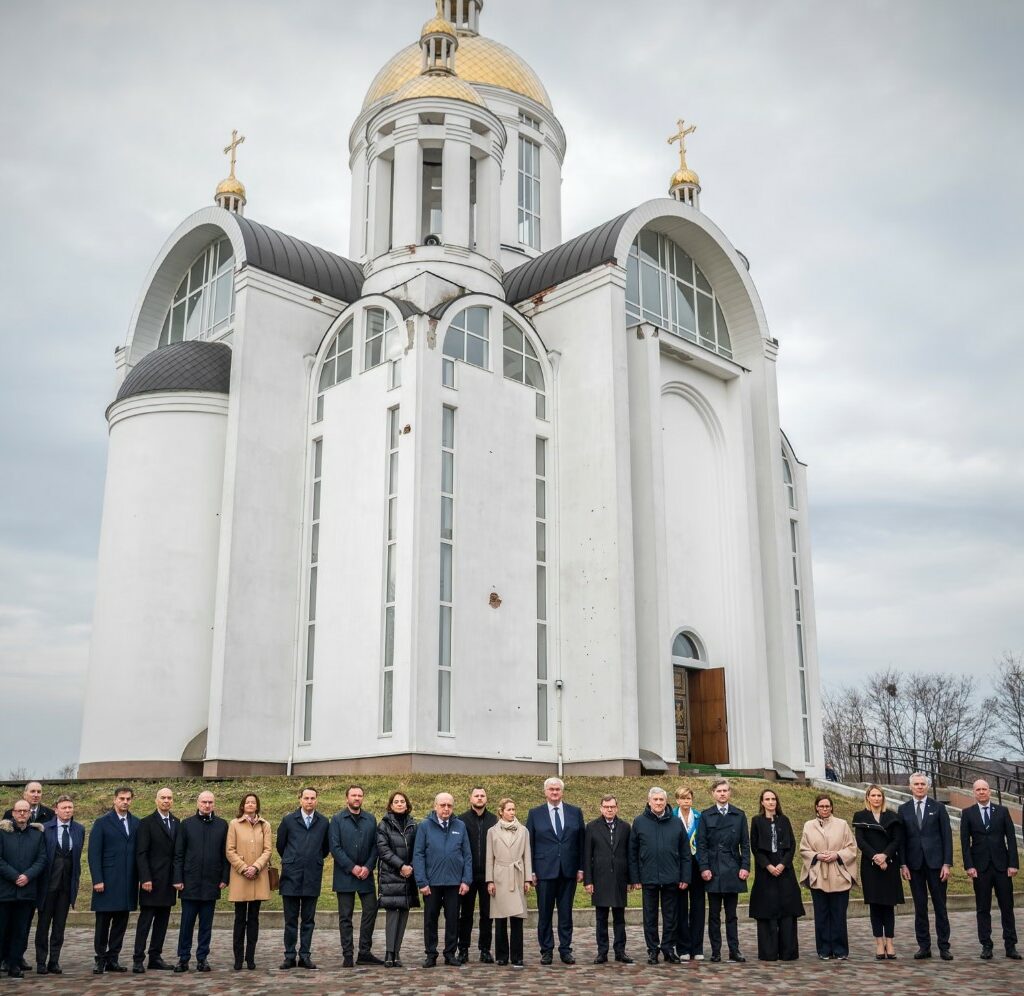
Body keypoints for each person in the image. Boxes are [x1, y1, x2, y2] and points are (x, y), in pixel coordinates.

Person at [526, 776, 585, 965]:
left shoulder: (575, 812)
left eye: (557, 789)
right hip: (544, 872)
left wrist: (581, 867)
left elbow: (581, 842)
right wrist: (531, 871)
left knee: (566, 913)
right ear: (545, 792)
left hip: (568, 871)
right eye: (551, 789)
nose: (554, 792)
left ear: (562, 791)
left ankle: (565, 950)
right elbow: (529, 844)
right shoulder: (535, 813)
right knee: (544, 913)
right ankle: (546, 950)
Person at [960, 778, 1020, 959]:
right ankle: (986, 945)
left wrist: (1013, 863)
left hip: (1002, 867)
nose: (981, 792)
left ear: (990, 791)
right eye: (978, 789)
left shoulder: (1002, 811)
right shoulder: (968, 813)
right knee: (983, 908)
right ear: (974, 792)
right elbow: (964, 842)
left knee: (1007, 907)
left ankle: (1010, 945)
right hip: (980, 868)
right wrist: (969, 865)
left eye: (984, 789)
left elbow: (1011, 838)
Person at [629, 786, 690, 964]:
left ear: (666, 801)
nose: (658, 803)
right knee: (650, 916)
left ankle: (668, 948)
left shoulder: (676, 822)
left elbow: (685, 852)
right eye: (655, 800)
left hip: (671, 877)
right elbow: (632, 852)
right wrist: (635, 878)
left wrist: (685, 877)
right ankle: (652, 950)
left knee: (671, 916)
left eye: (661, 800)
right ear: (649, 802)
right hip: (648, 877)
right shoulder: (639, 822)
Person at [413, 792, 472, 968]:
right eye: (442, 805)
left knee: (453, 920)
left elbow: (467, 855)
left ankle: (450, 954)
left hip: (454, 883)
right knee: (430, 920)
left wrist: (466, 880)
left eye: (449, 805)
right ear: (435, 806)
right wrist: (422, 882)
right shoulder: (424, 826)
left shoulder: (460, 826)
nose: (446, 809)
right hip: (432, 884)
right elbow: (418, 854)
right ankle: (431, 954)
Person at [172, 790, 229, 973]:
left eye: (210, 802)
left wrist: (224, 878)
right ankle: (183, 958)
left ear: (214, 804)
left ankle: (202, 958)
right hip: (190, 882)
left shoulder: (222, 825)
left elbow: (225, 854)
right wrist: (178, 878)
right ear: (198, 803)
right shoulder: (186, 824)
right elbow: (179, 854)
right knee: (186, 924)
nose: (207, 805)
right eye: (204, 802)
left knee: (206, 925)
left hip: (212, 882)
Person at [899, 771, 953, 961]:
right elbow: (901, 840)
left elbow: (947, 837)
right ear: (910, 787)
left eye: (923, 784)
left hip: (936, 865)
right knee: (920, 907)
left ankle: (944, 947)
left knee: (940, 907)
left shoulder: (938, 808)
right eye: (916, 784)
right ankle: (924, 946)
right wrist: (903, 864)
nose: (920, 787)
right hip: (914, 865)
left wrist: (947, 863)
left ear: (928, 787)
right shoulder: (903, 809)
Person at [2, 781, 53, 974]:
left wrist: (27, 876)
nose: (22, 814)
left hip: (28, 888)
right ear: (13, 813)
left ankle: (15, 961)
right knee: (3, 927)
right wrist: (15, 875)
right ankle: (3, 959)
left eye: (25, 811)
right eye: (19, 811)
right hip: (6, 889)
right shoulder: (4, 830)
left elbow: (42, 857)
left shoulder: (38, 832)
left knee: (21, 929)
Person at [696, 778, 750, 962]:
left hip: (733, 869)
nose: (722, 794)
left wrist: (745, 866)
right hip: (713, 870)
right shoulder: (706, 815)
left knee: (732, 915)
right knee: (714, 915)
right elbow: (701, 844)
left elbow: (745, 844)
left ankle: (734, 950)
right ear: (713, 793)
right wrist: (704, 868)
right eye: (719, 791)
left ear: (729, 793)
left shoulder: (739, 815)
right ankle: (716, 951)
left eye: (725, 790)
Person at [798, 793, 857, 960]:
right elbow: (804, 849)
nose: (825, 809)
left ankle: (840, 949)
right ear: (816, 807)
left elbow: (852, 848)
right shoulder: (809, 825)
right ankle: (824, 949)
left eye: (827, 806)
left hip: (839, 875)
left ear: (831, 807)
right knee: (821, 914)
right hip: (818, 875)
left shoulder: (842, 824)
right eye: (821, 806)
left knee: (839, 915)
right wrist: (817, 856)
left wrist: (837, 855)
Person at [277, 786, 329, 970]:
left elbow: (325, 848)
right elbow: (281, 845)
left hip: (312, 875)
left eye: (312, 798)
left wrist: (313, 859)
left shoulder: (323, 822)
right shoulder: (288, 820)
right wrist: (292, 859)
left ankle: (305, 955)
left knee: (308, 920)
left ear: (317, 800)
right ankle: (289, 955)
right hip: (291, 875)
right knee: (290, 920)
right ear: (300, 799)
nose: (309, 801)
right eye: (306, 798)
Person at [88, 786, 139, 974]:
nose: (125, 802)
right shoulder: (102, 822)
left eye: (128, 799)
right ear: (114, 800)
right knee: (103, 923)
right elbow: (94, 853)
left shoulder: (136, 823)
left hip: (127, 881)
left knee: (120, 922)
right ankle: (100, 958)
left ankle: (113, 958)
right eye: (121, 798)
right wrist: (97, 879)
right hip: (107, 881)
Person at [748, 788, 803, 961]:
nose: (771, 802)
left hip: (784, 872)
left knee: (787, 912)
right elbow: (755, 847)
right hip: (766, 873)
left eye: (773, 799)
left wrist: (782, 864)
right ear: (762, 802)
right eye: (767, 799)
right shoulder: (756, 821)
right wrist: (769, 866)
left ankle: (788, 952)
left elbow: (792, 845)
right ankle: (769, 952)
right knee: (767, 911)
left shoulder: (784, 820)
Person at [329, 785, 381, 967]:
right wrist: (352, 867)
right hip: (345, 875)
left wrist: (368, 867)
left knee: (371, 910)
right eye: (353, 795)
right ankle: (348, 954)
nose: (357, 798)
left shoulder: (370, 819)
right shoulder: (337, 819)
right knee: (345, 916)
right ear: (347, 798)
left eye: (360, 795)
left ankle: (364, 952)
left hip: (366, 875)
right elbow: (335, 847)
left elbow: (376, 846)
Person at [34, 795, 84, 976]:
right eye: (64, 808)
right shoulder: (45, 829)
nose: (67, 811)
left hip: (66, 885)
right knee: (43, 925)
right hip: (48, 885)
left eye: (70, 807)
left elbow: (76, 857)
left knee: (59, 926)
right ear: (56, 810)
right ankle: (41, 961)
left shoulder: (79, 829)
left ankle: (54, 961)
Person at [853, 784, 904, 960]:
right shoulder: (860, 816)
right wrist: (875, 857)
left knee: (888, 906)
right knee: (875, 905)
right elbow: (860, 841)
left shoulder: (892, 816)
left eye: (879, 795)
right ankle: (879, 943)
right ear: (867, 797)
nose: (876, 798)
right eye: (873, 795)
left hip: (889, 865)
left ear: (883, 798)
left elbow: (897, 840)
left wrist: (885, 856)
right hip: (870, 866)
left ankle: (889, 942)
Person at [132, 787, 179, 973]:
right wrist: (145, 877)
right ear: (156, 800)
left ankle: (155, 957)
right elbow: (141, 853)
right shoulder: (146, 823)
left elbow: (177, 854)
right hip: (151, 881)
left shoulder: (176, 822)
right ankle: (138, 958)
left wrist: (177, 878)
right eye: (163, 798)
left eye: (169, 798)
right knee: (145, 922)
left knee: (162, 922)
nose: (166, 801)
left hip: (168, 882)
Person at [583, 795, 633, 964]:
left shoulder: (625, 827)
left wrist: (630, 879)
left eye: (612, 807)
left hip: (620, 878)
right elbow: (587, 855)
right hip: (600, 879)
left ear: (617, 808)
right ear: (601, 808)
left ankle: (620, 951)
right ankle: (602, 952)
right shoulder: (592, 827)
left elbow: (629, 854)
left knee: (620, 918)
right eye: (606, 807)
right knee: (601, 918)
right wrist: (588, 881)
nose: (609, 809)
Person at [226, 793, 272, 971]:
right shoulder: (234, 824)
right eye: (247, 802)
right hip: (241, 876)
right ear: (243, 805)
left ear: (257, 805)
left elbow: (268, 850)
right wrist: (244, 867)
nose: (250, 804)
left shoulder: (265, 825)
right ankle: (238, 958)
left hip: (258, 876)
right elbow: (230, 850)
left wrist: (256, 867)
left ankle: (250, 957)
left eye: (253, 802)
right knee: (239, 919)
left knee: (253, 919)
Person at [485, 798, 532, 968]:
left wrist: (527, 879)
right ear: (501, 811)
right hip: (499, 876)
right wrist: (490, 880)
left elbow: (527, 855)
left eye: (514, 809)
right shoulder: (492, 831)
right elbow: (489, 857)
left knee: (517, 918)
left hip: (517, 874)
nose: (512, 812)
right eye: (509, 809)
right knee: (500, 918)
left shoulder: (523, 830)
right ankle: (502, 955)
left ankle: (517, 956)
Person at [376, 791, 419, 968]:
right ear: (391, 805)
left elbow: (419, 848)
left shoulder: (413, 825)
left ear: (407, 805)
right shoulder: (384, 825)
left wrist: (411, 867)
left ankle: (397, 952)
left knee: (404, 913)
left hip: (409, 875)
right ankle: (389, 952)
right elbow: (383, 850)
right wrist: (401, 866)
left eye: (402, 801)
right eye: (396, 801)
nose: (400, 804)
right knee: (393, 914)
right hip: (391, 874)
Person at [457, 786, 497, 964]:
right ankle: (463, 949)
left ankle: (485, 950)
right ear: (470, 798)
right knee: (465, 914)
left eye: (482, 795)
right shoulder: (461, 820)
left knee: (487, 915)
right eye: (476, 795)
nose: (479, 798)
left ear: (486, 799)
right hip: (468, 875)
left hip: (488, 875)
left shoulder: (494, 820)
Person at [673, 786, 705, 961]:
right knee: (681, 907)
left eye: (689, 798)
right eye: (683, 798)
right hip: (679, 866)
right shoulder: (672, 817)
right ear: (677, 800)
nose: (686, 801)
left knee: (698, 907)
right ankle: (683, 947)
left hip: (696, 865)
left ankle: (697, 947)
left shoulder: (699, 817)